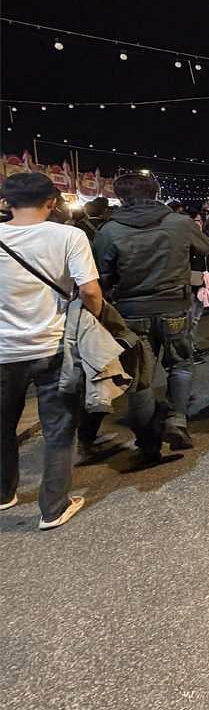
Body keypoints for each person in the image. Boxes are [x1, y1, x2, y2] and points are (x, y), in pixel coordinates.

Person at [0, 173, 102, 530]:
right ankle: (54, 508)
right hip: (53, 345)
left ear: (5, 203)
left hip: (2, 350)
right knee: (59, 428)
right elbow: (90, 291)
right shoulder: (69, 236)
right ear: (52, 202)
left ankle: (3, 493)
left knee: (2, 425)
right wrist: (91, 320)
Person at [92, 173, 209, 464]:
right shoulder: (180, 223)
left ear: (120, 197)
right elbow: (206, 248)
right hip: (175, 306)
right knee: (180, 364)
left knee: (139, 378)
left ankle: (148, 443)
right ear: (156, 193)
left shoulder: (109, 230)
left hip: (131, 312)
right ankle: (176, 420)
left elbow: (102, 275)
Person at [186, 209, 209, 359]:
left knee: (195, 317)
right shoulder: (187, 239)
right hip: (191, 282)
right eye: (198, 221)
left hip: (199, 281)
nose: (201, 224)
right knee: (191, 319)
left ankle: (191, 346)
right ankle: (188, 351)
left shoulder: (197, 237)